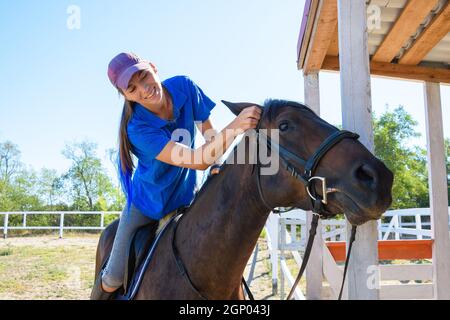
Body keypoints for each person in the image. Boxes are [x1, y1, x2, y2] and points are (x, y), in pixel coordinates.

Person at [90, 52, 262, 299]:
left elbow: (209, 134)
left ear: (154, 67)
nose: (144, 89)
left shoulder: (184, 87)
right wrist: (236, 126)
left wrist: (217, 164)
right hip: (147, 205)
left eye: (144, 76)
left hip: (185, 198)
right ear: (126, 96)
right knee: (113, 277)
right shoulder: (137, 128)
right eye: (132, 88)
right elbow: (196, 160)